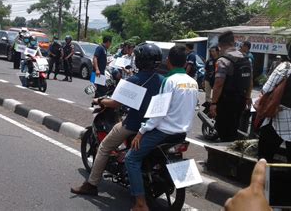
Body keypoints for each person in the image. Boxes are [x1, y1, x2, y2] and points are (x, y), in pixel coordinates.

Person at [70, 43, 164, 196]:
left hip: (133, 125)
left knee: (104, 147)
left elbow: (115, 103)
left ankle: (91, 184)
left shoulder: (134, 80)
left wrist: (100, 101)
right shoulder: (163, 80)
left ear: (139, 60)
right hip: (156, 125)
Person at [125, 45, 198, 211]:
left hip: (163, 133)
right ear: (186, 63)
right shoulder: (193, 82)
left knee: (131, 158)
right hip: (181, 134)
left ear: (168, 61)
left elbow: (158, 113)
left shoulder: (169, 81)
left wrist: (141, 132)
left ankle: (140, 204)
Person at [209, 31, 253, 142]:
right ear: (233, 42)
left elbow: (218, 84)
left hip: (226, 102)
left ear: (220, 45)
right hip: (241, 101)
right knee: (234, 129)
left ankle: (225, 156)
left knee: (224, 132)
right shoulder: (245, 58)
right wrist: (247, 97)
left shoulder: (223, 60)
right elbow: (250, 81)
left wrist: (213, 103)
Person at [203, 46, 219, 113]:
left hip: (217, 80)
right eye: (211, 51)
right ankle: (207, 107)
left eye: (213, 51)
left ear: (217, 51)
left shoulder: (220, 60)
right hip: (208, 79)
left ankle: (215, 107)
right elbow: (206, 70)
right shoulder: (209, 60)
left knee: (216, 94)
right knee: (207, 95)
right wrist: (204, 80)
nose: (212, 53)